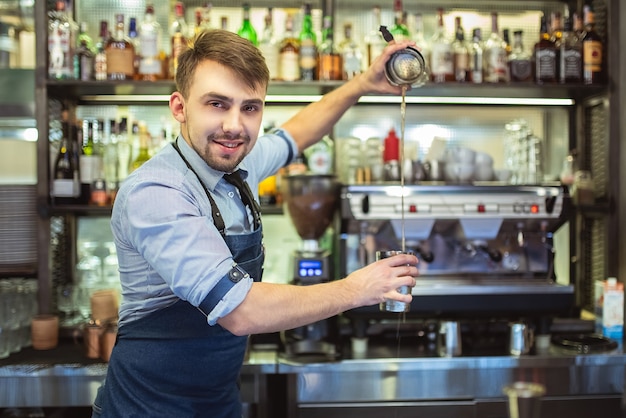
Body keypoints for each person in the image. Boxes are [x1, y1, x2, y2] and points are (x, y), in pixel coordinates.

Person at [92, 28, 419, 418]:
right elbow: (241, 311)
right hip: (146, 410)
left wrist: (362, 84)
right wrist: (356, 289)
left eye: (250, 107)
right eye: (217, 104)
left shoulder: (238, 163)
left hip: (217, 405)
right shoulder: (157, 191)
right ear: (179, 107)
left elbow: (296, 134)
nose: (235, 126)